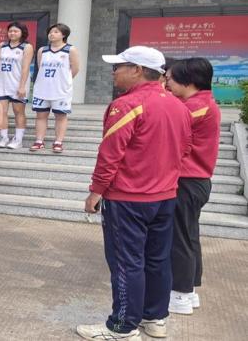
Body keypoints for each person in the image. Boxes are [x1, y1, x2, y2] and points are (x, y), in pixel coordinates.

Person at [77, 46, 192, 341]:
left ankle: (122, 326)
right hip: (165, 196)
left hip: (128, 198)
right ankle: (154, 319)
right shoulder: (178, 105)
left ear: (137, 70)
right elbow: (185, 150)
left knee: (127, 263)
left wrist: (96, 191)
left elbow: (110, 155)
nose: (114, 71)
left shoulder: (127, 105)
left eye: (119, 66)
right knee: (157, 260)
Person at [164, 57, 221, 315]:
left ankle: (179, 294)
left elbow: (166, 125)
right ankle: (189, 290)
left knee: (180, 238)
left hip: (188, 181)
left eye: (170, 79)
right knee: (189, 236)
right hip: (195, 180)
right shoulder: (200, 102)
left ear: (188, 81)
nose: (167, 83)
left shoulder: (194, 107)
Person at [30, 23, 80, 153]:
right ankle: (39, 141)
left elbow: (75, 69)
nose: (52, 34)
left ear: (64, 35)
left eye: (56, 32)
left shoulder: (70, 49)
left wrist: (64, 81)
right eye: (51, 32)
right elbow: (40, 68)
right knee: (40, 115)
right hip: (42, 88)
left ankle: (58, 142)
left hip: (61, 90)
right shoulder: (42, 50)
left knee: (60, 116)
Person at [0, 22, 33, 149]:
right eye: (10, 31)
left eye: (15, 31)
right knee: (2, 112)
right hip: (1, 83)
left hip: (17, 83)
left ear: (22, 32)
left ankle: (18, 139)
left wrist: (22, 86)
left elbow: (26, 68)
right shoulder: (2, 45)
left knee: (18, 111)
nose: (12, 33)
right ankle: (4, 137)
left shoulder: (26, 47)